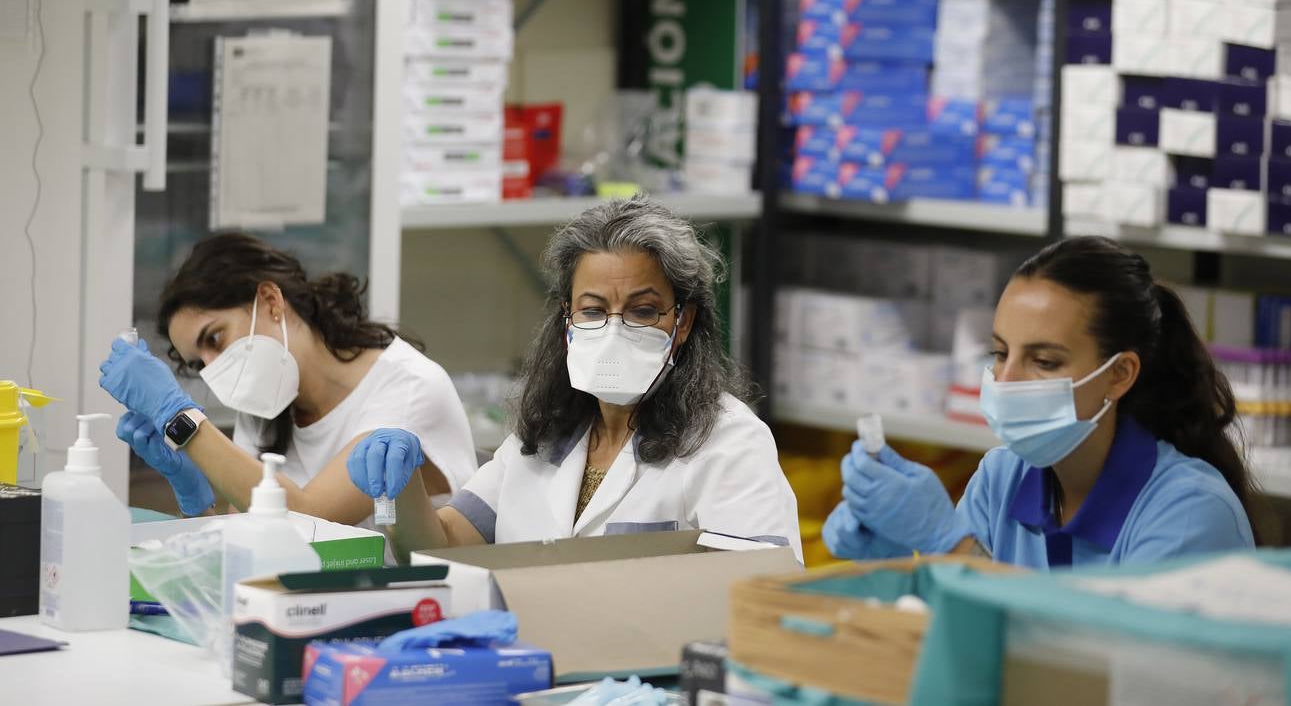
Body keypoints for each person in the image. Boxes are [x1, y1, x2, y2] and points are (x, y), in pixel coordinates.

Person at [347, 196, 802, 563]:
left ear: (682, 322)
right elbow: (439, 545)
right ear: (568, 318)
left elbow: (758, 592)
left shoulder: (729, 443)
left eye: (643, 311)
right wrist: (402, 487)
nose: (615, 330)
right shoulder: (544, 438)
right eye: (594, 310)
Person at [825, 236, 1258, 569]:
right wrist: (895, 565)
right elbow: (958, 644)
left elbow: (1094, 673)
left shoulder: (1190, 512)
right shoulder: (1002, 479)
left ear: (1119, 374)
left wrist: (950, 544)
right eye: (999, 353)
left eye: (1044, 360)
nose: (1006, 379)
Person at [99, 233, 477, 529]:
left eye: (214, 339)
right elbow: (244, 542)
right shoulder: (266, 404)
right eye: (200, 364)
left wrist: (180, 420)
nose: (215, 368)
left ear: (270, 300)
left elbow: (307, 521)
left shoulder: (408, 388)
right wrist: (195, 499)